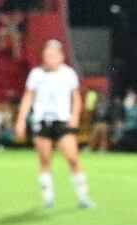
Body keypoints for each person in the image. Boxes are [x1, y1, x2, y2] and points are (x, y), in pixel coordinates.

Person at [20, 37, 93, 210]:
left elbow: (76, 98)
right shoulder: (36, 74)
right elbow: (28, 97)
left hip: (61, 120)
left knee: (73, 158)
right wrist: (22, 120)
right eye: (47, 54)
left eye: (53, 54)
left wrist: (75, 116)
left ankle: (83, 196)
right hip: (42, 120)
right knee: (45, 160)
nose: (49, 57)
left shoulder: (68, 74)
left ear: (61, 56)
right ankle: (48, 198)